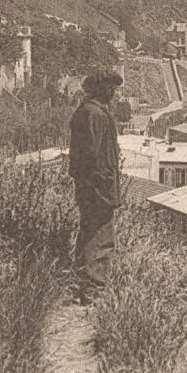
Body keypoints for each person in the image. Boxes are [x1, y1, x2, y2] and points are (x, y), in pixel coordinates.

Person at [69, 70, 123, 297]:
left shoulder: (86, 111)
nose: (114, 93)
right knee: (101, 236)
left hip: (89, 185)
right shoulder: (97, 115)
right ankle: (94, 288)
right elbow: (92, 155)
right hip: (98, 186)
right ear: (102, 89)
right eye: (110, 88)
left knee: (88, 230)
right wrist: (102, 184)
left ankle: (81, 280)